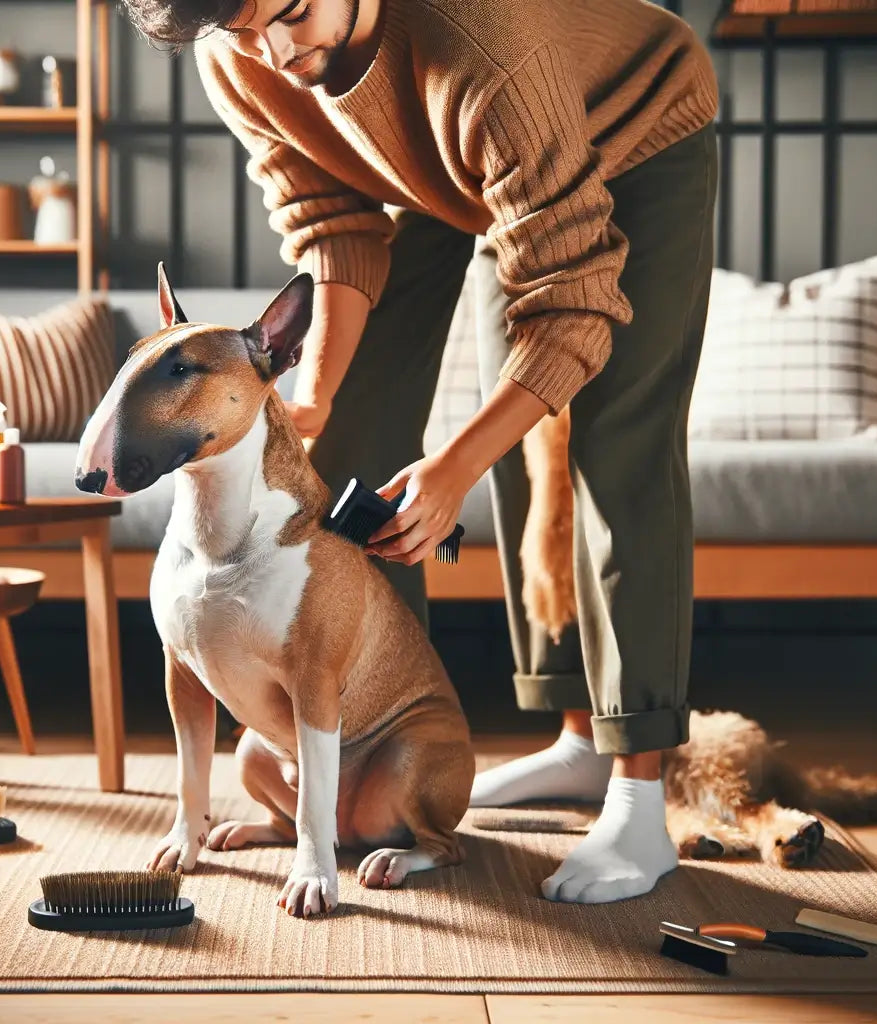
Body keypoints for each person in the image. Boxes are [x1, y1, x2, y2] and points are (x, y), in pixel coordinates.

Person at [119, 0, 719, 904]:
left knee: (605, 436)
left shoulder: (484, 42)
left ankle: (635, 792)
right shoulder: (239, 48)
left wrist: (453, 469)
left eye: (290, 12)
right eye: (245, 30)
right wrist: (313, 393)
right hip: (458, 169)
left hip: (631, 127)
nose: (276, 52)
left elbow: (571, 304)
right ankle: (515, 740)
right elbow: (331, 219)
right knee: (348, 429)